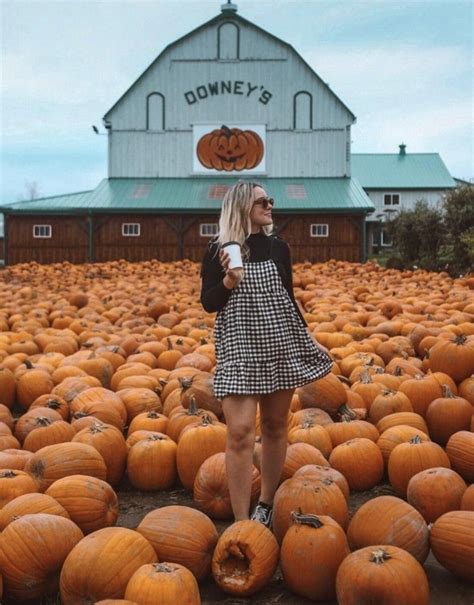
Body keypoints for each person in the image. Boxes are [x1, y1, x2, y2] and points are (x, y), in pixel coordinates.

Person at [200, 181, 333, 527]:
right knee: (241, 431)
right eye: (262, 201)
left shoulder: (278, 249)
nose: (269, 206)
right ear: (241, 206)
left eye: (270, 201)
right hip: (240, 346)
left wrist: (308, 336)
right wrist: (229, 280)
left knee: (275, 426)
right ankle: (242, 519)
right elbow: (208, 303)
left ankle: (267, 504)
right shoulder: (219, 249)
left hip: (278, 343)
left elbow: (288, 298)